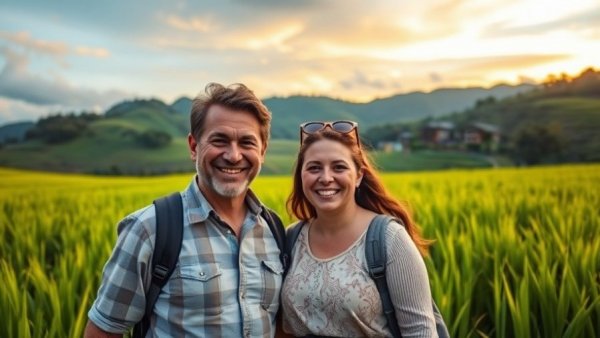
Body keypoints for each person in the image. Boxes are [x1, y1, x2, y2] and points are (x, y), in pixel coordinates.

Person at [84, 83, 284, 337]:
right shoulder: (150, 229)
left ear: (263, 151)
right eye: (219, 140)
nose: (234, 155)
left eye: (247, 142)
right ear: (193, 146)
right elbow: (103, 331)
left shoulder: (274, 230)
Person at [281, 121, 437, 337]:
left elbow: (420, 331)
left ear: (359, 176)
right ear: (301, 175)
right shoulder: (292, 238)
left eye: (339, 167)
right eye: (314, 167)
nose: (326, 178)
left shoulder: (388, 239)